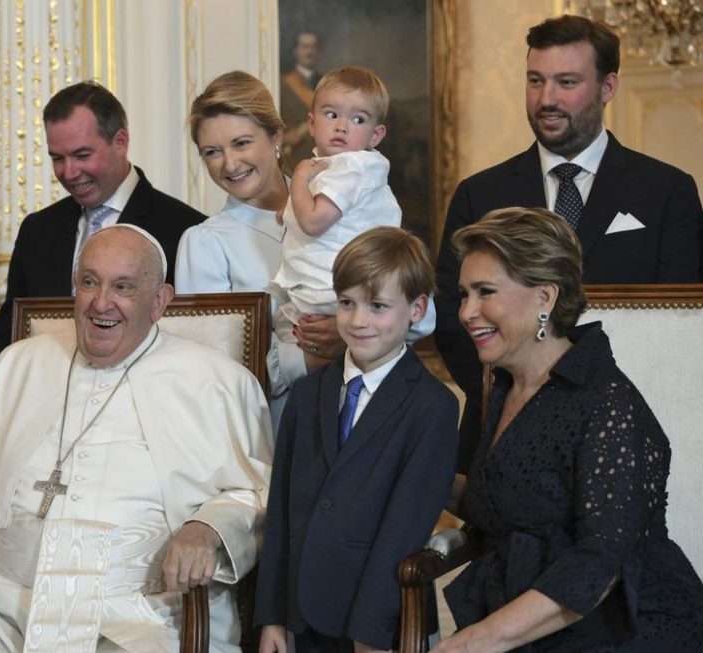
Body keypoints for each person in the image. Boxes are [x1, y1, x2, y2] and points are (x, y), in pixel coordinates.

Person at [0, 224, 273, 652]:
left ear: (160, 302)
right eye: (89, 282)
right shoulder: (19, 365)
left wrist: (206, 527)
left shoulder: (215, 382)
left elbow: (257, 493)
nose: (101, 303)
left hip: (137, 617)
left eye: (123, 287)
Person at [434, 15, 703, 471]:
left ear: (608, 86)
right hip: (504, 433)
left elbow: (680, 320)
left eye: (567, 82)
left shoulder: (667, 191)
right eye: (536, 81)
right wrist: (515, 391)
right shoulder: (479, 194)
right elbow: (450, 314)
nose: (547, 99)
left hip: (625, 431)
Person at [433, 207, 703, 652]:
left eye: (485, 292)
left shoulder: (607, 404)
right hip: (532, 623)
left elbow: (600, 562)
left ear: (545, 297)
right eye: (464, 294)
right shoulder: (506, 386)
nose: (466, 312)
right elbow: (507, 507)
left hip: (626, 630)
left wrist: (471, 643)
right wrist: (415, 471)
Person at [256, 227, 459, 653]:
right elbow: (281, 511)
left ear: (417, 308)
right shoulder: (308, 394)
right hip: (303, 614)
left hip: (382, 620)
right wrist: (272, 615)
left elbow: (405, 528)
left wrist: (371, 632)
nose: (357, 320)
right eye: (346, 303)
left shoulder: (433, 407)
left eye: (378, 306)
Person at [0, 80, 206, 375]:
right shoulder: (37, 231)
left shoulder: (186, 229)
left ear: (120, 142)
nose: (69, 172)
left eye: (82, 155)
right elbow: (10, 332)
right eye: (58, 158)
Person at [175, 70, 334, 423]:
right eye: (212, 152)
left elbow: (417, 313)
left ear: (276, 135)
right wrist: (312, 356)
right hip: (273, 432)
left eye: (242, 143)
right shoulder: (206, 244)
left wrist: (352, 331)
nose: (229, 164)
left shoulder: (338, 206)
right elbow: (215, 373)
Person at [276, 65, 433, 371]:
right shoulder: (334, 168)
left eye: (357, 119)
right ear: (311, 122)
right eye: (331, 115)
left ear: (376, 135)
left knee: (285, 333)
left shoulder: (353, 167)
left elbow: (312, 221)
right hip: (343, 288)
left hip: (335, 287)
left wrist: (297, 178)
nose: (342, 126)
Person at [279, 32, 321, 164]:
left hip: (322, 157)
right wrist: (284, 139)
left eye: (313, 47)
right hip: (295, 157)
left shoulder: (326, 82)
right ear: (295, 51)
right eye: (304, 47)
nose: (309, 51)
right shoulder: (283, 84)